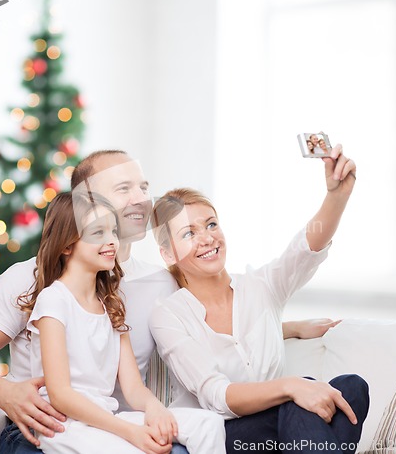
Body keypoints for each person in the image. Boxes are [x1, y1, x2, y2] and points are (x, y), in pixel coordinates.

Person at [0, 149, 337, 454]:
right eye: (124, 189)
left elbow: (206, 325)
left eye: (144, 187)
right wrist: (3, 392)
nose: (142, 198)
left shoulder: (161, 282)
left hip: (121, 426)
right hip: (50, 432)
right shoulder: (34, 280)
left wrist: (288, 328)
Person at [149, 145, 369, 454]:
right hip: (222, 437)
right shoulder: (168, 316)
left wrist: (337, 196)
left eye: (211, 224)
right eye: (189, 233)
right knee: (300, 396)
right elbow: (217, 395)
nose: (207, 238)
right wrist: (291, 386)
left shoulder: (260, 288)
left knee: (351, 387)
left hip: (283, 431)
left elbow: (305, 251)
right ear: (168, 254)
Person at [20, 191, 225, 453]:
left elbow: (133, 388)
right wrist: (131, 432)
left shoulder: (111, 304)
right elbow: (60, 395)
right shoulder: (53, 300)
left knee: (208, 424)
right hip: (64, 425)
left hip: (106, 417)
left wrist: (155, 410)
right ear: (67, 245)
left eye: (113, 232)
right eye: (97, 233)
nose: (112, 242)